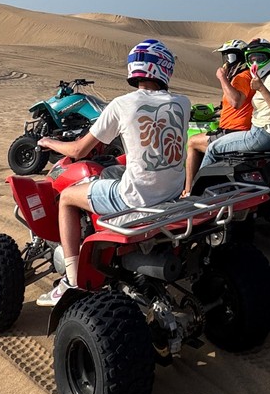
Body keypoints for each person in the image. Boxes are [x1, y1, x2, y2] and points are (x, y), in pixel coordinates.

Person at [35, 39, 190, 307]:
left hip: (136, 198)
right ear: (164, 68)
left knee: (69, 198)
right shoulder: (183, 103)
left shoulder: (121, 105)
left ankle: (72, 279)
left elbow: (80, 150)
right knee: (114, 171)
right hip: (173, 193)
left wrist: (49, 142)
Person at [198, 37, 270, 168]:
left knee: (212, 149)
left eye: (260, 58)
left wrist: (261, 88)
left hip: (264, 134)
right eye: (252, 59)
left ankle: (198, 187)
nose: (255, 63)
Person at [182, 39, 255, 197]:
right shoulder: (246, 76)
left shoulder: (241, 77)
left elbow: (235, 101)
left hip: (233, 131)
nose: (225, 61)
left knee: (193, 142)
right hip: (237, 129)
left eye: (226, 57)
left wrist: (222, 78)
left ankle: (188, 191)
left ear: (233, 57)